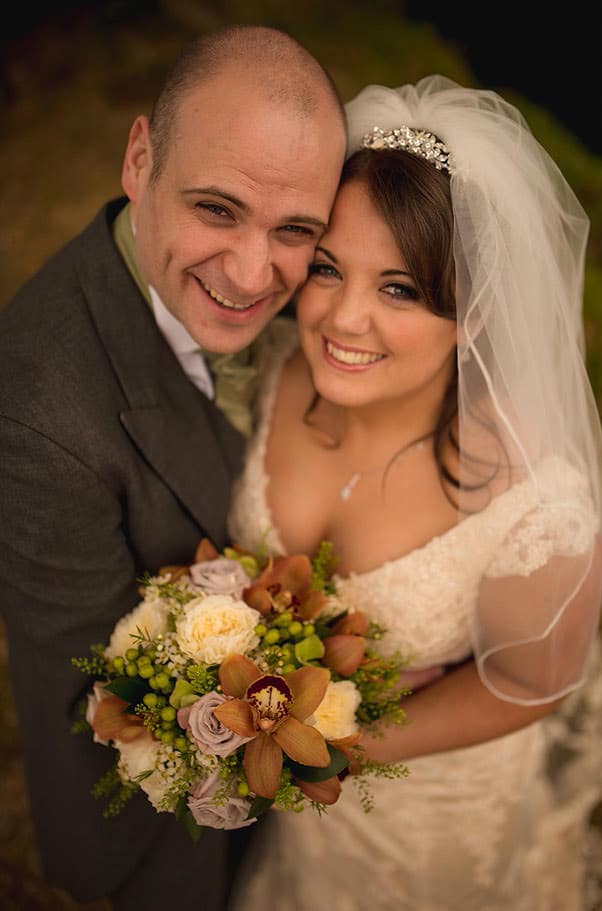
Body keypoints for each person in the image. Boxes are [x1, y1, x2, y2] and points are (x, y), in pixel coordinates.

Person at [219, 75, 602, 909]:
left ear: (471, 308)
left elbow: (529, 682)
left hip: (432, 821)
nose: (341, 318)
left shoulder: (540, 498)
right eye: (327, 267)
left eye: (398, 288)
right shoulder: (274, 373)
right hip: (295, 812)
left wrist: (333, 739)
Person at [0, 27, 346, 910]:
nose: (250, 272)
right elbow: (100, 699)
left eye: (294, 230)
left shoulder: (331, 306)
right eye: (217, 208)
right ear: (140, 157)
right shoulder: (36, 413)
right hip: (165, 817)